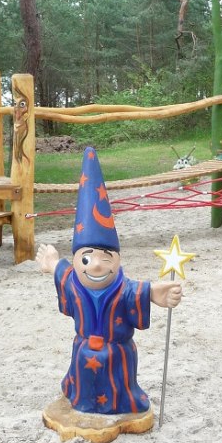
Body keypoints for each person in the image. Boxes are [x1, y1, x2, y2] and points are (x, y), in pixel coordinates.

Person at [35, 147, 182, 415]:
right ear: (77, 258)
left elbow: (139, 291)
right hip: (83, 352)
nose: (98, 264)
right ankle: (78, 397)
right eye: (87, 258)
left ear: (117, 259)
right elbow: (62, 270)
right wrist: (53, 262)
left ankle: (124, 403)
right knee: (82, 384)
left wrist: (155, 293)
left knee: (119, 386)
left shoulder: (124, 289)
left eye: (106, 256)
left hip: (117, 356)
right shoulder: (72, 281)